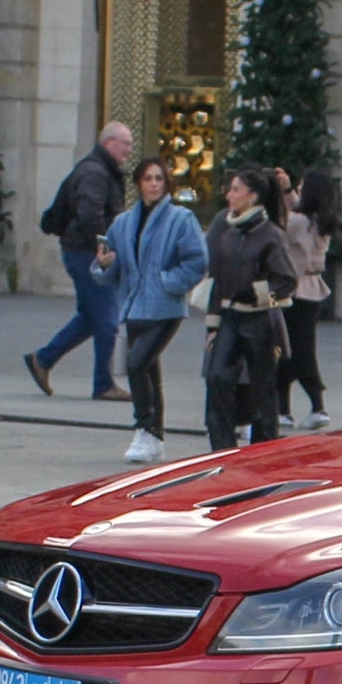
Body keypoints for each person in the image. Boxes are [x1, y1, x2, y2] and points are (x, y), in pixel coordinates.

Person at [92, 155, 209, 464]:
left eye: (159, 178)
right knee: (148, 369)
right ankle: (154, 435)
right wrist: (106, 264)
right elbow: (112, 267)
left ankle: (144, 427)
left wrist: (168, 282)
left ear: (166, 183)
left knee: (135, 364)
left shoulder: (180, 219)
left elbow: (198, 261)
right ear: (139, 184)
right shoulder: (124, 222)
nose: (154, 184)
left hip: (166, 307)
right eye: (148, 179)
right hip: (134, 306)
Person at [24, 121, 133, 401]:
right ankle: (103, 384)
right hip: (87, 253)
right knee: (108, 318)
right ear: (110, 143)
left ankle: (43, 359)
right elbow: (90, 213)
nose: (129, 151)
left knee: (91, 317)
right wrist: (104, 247)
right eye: (126, 144)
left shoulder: (97, 169)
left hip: (81, 250)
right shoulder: (95, 172)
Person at [202, 165, 296, 451]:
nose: (229, 195)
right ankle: (222, 448)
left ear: (252, 197)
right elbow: (216, 282)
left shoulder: (270, 235)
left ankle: (263, 449)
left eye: (236, 190)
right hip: (231, 316)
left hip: (259, 320)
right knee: (217, 377)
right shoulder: (228, 234)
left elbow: (287, 279)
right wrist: (212, 326)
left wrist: (258, 293)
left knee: (263, 387)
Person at [277, 168, 340, 431]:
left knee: (291, 351)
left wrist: (280, 192)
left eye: (303, 187)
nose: (299, 190)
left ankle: (306, 406)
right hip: (312, 288)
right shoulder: (321, 219)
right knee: (296, 348)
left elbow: (284, 225)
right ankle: (292, 408)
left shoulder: (300, 222)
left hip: (296, 289)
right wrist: (288, 189)